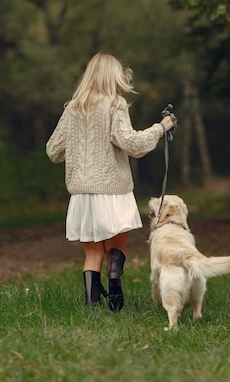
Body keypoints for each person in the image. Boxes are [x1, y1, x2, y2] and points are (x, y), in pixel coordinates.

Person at [46, 52, 175, 312]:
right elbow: (131, 143)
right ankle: (114, 277)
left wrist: (78, 145)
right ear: (114, 77)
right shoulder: (115, 105)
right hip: (113, 190)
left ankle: (92, 308)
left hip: (82, 194)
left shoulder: (73, 109)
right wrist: (161, 127)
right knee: (115, 246)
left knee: (92, 253)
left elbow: (53, 150)